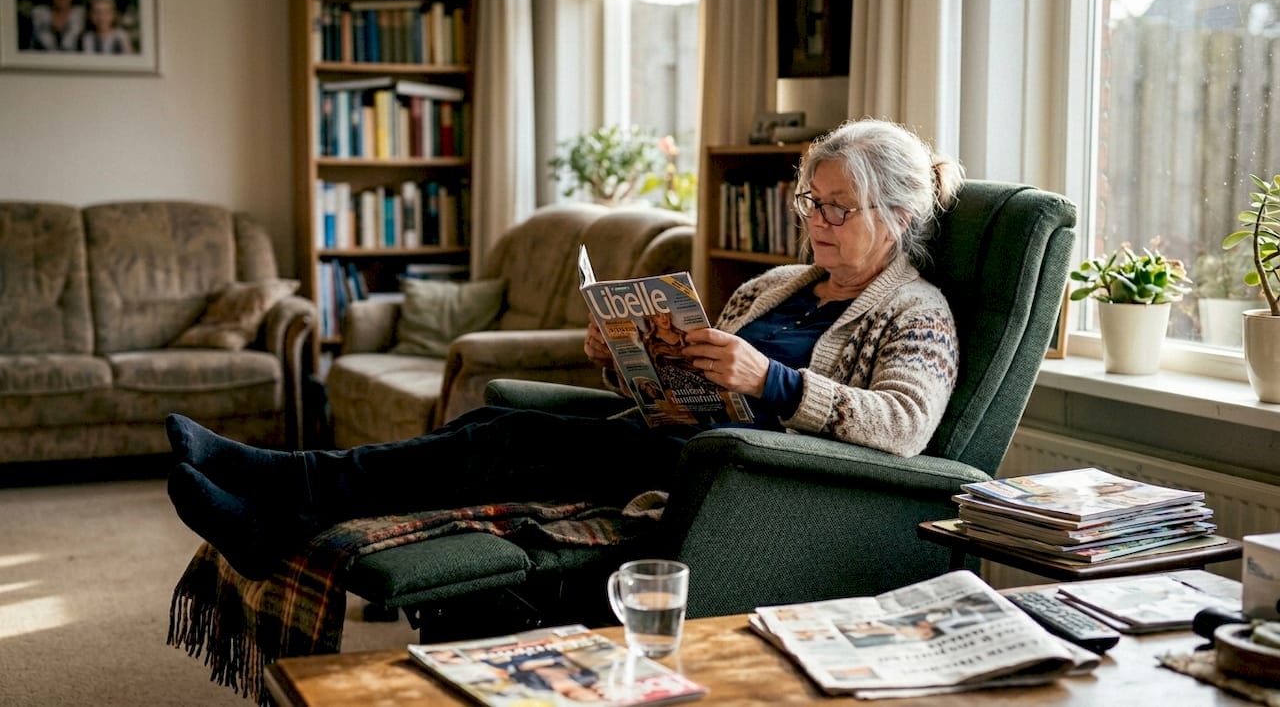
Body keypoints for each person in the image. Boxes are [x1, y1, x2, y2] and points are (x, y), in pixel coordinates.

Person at [165, 118, 965, 581]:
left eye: (837, 207)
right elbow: (693, 379)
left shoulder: (917, 314)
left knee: (503, 435)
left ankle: (278, 482)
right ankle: (281, 508)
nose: (815, 221)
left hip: (741, 483)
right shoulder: (775, 287)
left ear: (896, 216)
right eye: (809, 201)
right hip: (664, 439)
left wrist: (776, 380)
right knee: (481, 431)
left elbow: (903, 426)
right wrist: (627, 356)